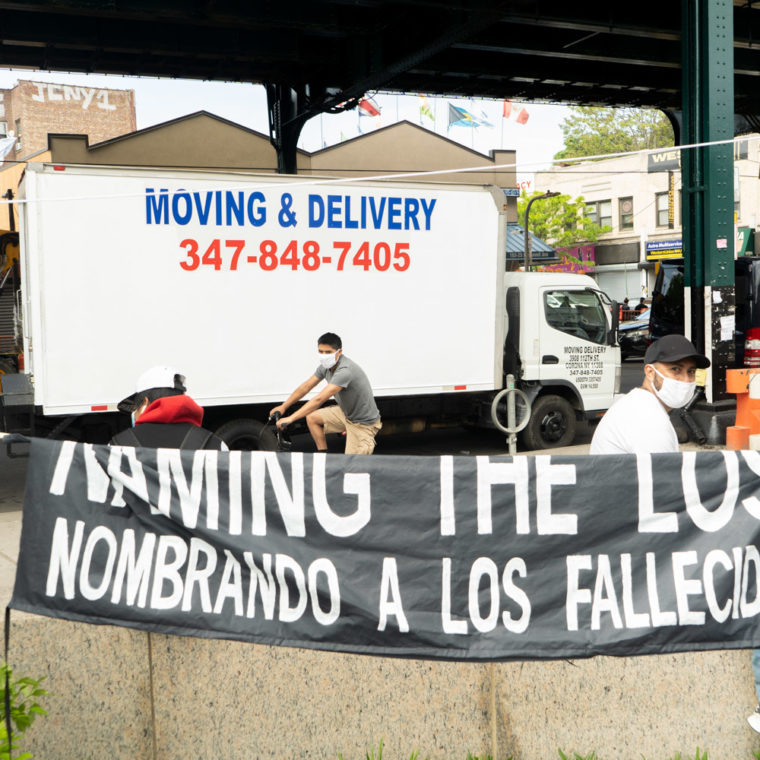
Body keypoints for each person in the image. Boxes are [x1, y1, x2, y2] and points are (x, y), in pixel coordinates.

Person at [589, 334, 709, 455]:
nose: (686, 380)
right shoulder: (648, 419)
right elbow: (662, 472)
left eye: (691, 371)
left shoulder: (639, 403)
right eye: (675, 369)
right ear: (650, 372)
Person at [270, 332, 382, 454]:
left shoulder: (345, 371)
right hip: (346, 413)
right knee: (312, 418)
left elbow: (319, 399)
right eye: (320, 351)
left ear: (339, 352)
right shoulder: (325, 367)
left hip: (362, 423)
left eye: (328, 352)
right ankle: (323, 457)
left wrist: (291, 418)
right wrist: (283, 406)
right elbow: (306, 387)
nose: (324, 356)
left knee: (351, 468)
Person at [111, 365, 228, 450]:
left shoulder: (118, 446)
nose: (134, 414)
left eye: (135, 408)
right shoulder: (215, 444)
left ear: (145, 402)